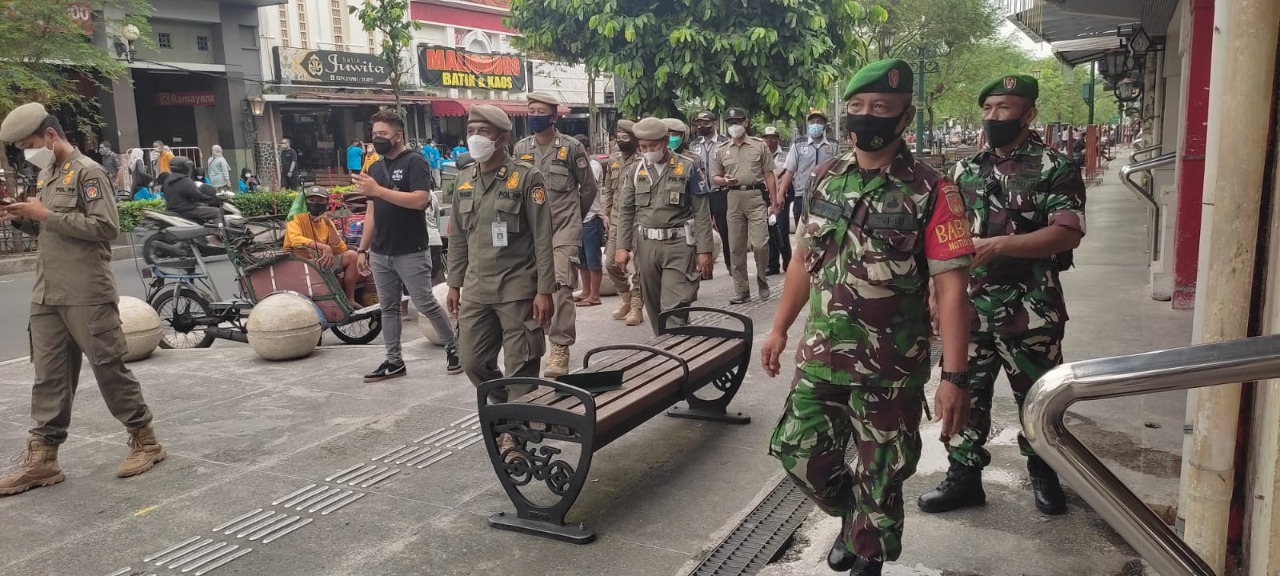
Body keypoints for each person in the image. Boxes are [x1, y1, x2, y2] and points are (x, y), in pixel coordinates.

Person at [761, 59, 975, 576]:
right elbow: (801, 260)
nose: (866, 117)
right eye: (857, 107)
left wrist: (954, 374)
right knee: (797, 450)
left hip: (890, 366)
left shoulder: (933, 191)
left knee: (884, 474)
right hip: (822, 354)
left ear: (905, 116)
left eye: (881, 108)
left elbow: (952, 290)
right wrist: (779, 328)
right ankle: (857, 520)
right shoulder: (826, 177)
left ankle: (868, 550)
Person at [916, 74, 1086, 518]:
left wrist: (1000, 245)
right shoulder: (964, 170)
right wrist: (936, 294)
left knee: (1039, 399)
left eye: (1004, 109)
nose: (994, 117)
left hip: (1030, 310)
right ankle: (964, 477)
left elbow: (1067, 233)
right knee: (962, 396)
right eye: (988, 108)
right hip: (969, 311)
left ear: (1028, 114)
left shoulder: (1055, 166)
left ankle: (1046, 474)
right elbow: (945, 240)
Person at [0, 102, 166, 496]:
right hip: (47, 292)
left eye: (30, 143)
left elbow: (106, 228)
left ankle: (146, 440)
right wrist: (21, 215)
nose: (28, 151)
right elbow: (51, 229)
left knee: (108, 367)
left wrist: (45, 216)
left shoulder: (89, 172)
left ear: (51, 135)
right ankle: (43, 459)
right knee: (49, 376)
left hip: (86, 292)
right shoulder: (48, 174)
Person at [445, 104, 554, 405]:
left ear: (502, 137)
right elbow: (457, 237)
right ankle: (510, 409)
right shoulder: (464, 179)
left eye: (483, 132)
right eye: (470, 131)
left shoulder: (526, 177)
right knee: (471, 360)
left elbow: (543, 238)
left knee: (522, 364)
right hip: (477, 289)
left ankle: (516, 436)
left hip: (518, 288)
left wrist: (545, 291)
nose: (475, 137)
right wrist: (454, 282)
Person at [352, 109, 461, 381]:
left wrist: (378, 190)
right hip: (380, 251)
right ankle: (393, 360)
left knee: (425, 302)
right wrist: (362, 249)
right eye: (374, 134)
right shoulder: (375, 168)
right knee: (388, 307)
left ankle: (454, 348)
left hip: (410, 250)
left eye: (383, 134)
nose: (377, 139)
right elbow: (371, 213)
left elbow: (420, 200)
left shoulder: (415, 162)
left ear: (398, 136)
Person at [511, 92, 598, 378]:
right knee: (531, 288)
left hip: (563, 230)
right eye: (531, 110)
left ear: (553, 116)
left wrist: (573, 217)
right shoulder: (520, 148)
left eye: (540, 111)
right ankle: (534, 343)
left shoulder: (571, 148)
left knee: (560, 287)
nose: (534, 115)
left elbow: (588, 189)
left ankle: (560, 346)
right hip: (531, 233)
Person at [614, 117, 714, 335]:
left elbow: (702, 212)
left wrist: (705, 250)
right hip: (646, 246)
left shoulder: (688, 167)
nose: (648, 151)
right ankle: (666, 349)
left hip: (678, 245)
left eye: (653, 146)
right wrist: (622, 247)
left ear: (666, 141)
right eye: (643, 147)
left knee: (674, 307)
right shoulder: (636, 171)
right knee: (654, 309)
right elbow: (626, 211)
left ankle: (677, 356)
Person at [712, 106, 776, 304]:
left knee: (760, 243)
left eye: (738, 122)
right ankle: (742, 290)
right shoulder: (722, 150)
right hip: (733, 198)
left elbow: (769, 174)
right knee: (736, 247)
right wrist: (724, 181)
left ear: (746, 123)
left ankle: (762, 279)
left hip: (756, 196)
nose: (734, 126)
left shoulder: (759, 146)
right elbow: (715, 177)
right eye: (731, 123)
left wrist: (774, 202)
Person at [286, 186, 362, 304]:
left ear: (326, 204)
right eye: (312, 201)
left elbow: (340, 248)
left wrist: (330, 225)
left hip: (322, 259)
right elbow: (295, 239)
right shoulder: (296, 218)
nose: (315, 204)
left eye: (320, 201)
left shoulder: (326, 220)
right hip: (302, 261)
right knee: (322, 262)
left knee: (352, 255)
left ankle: (350, 299)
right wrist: (324, 247)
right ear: (306, 202)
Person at [603, 120, 643, 325]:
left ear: (634, 139)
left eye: (625, 137)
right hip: (618, 218)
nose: (620, 141)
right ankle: (625, 297)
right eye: (618, 137)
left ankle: (637, 304)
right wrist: (606, 213)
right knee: (611, 263)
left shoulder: (643, 159)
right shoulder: (613, 159)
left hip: (638, 218)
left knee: (638, 265)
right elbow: (609, 188)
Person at [779, 110, 837, 228]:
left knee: (823, 233)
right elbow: (790, 171)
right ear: (808, 125)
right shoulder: (799, 145)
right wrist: (780, 193)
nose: (815, 124)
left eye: (819, 122)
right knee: (801, 233)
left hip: (825, 197)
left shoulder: (834, 146)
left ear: (825, 125)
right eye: (812, 122)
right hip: (802, 196)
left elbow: (839, 171)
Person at [690, 110, 731, 273]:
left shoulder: (725, 143)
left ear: (714, 123)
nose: (702, 126)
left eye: (705, 123)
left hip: (720, 192)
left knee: (725, 230)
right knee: (699, 230)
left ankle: (730, 264)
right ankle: (704, 268)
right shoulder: (694, 145)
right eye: (699, 124)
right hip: (700, 193)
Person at [574, 134, 606, 307]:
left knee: (593, 258)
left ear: (586, 150)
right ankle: (586, 291)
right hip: (577, 218)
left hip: (592, 216)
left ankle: (595, 294)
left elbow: (587, 186)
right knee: (582, 259)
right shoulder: (574, 167)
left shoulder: (593, 166)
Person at [762, 126, 790, 275]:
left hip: (781, 196)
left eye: (773, 138)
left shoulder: (785, 156)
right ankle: (772, 264)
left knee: (782, 230)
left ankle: (788, 260)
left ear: (777, 139)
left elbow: (790, 175)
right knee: (769, 231)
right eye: (766, 138)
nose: (769, 140)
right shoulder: (759, 155)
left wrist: (780, 195)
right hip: (764, 197)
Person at [162, 156, 222, 225]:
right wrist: (214, 199)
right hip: (187, 210)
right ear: (184, 167)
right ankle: (216, 234)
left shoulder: (168, 180)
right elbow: (197, 196)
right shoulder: (185, 180)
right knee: (217, 212)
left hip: (172, 209)